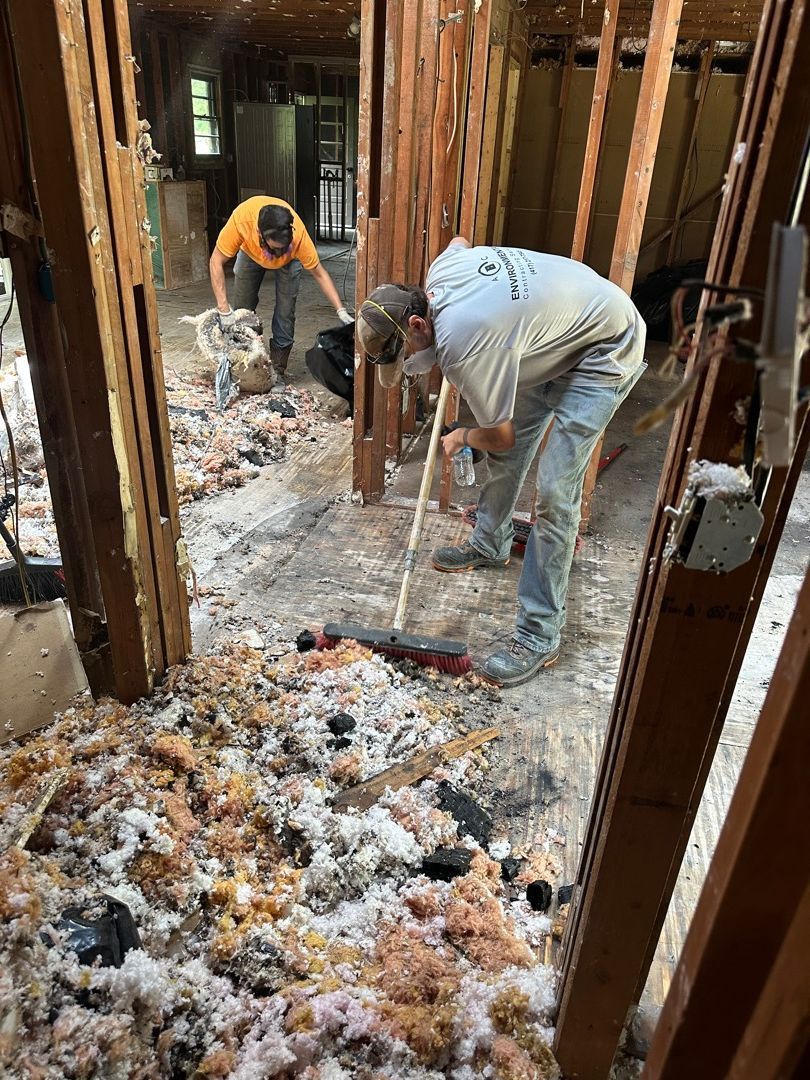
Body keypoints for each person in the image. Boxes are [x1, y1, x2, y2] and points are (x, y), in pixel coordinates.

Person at [355, 238, 646, 688]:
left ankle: (539, 633)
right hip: (555, 335)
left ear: (418, 322)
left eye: (404, 350)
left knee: (554, 492)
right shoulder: (441, 272)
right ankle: (490, 543)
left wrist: (463, 435)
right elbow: (459, 242)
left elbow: (499, 434)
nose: (408, 360)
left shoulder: (469, 344)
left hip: (605, 347)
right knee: (508, 458)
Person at [209, 196, 353, 378]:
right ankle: (246, 358)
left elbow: (319, 273)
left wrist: (340, 310)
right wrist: (223, 309)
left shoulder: (298, 238)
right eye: (274, 248)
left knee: (286, 310)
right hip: (249, 254)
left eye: (282, 248)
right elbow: (216, 261)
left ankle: (277, 368)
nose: (277, 254)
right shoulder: (242, 220)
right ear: (260, 234)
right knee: (242, 308)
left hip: (290, 262)